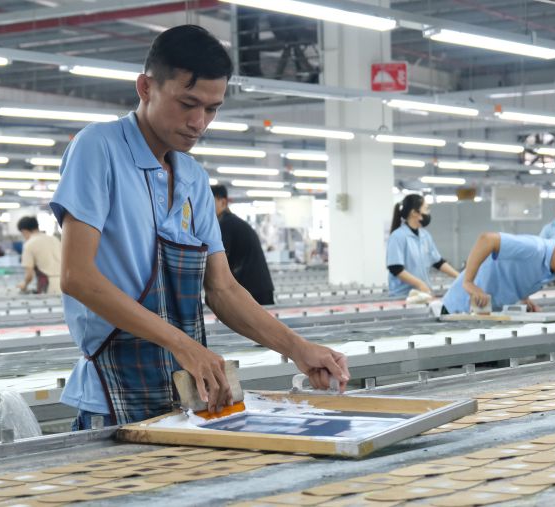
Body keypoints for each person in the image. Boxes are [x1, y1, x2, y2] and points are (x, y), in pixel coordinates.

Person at [50, 25, 349, 429]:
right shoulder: (98, 148)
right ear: (145, 87)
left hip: (185, 394)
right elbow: (77, 277)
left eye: (212, 108)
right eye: (188, 103)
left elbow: (222, 289)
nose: (199, 122)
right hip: (111, 396)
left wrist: (297, 348)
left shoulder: (193, 178)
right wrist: (182, 344)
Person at [441, 234, 555, 315]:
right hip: (458, 310)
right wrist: (469, 282)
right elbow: (487, 239)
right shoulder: (533, 248)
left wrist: (524, 298)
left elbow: (517, 272)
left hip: (486, 314)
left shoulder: (552, 270)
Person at [211, 184, 275, 305]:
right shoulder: (232, 222)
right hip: (257, 287)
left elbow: (220, 261)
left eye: (209, 201)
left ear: (223, 202)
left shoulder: (226, 224)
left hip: (253, 290)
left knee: (256, 324)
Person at [386, 194, 459, 298]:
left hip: (422, 295)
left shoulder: (425, 235)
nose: (428, 212)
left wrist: (460, 277)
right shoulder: (398, 236)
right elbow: (396, 269)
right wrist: (420, 284)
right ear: (415, 213)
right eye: (426, 209)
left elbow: (438, 262)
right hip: (403, 297)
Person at [17, 216, 62, 295]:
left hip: (48, 287)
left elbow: (29, 275)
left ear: (24, 231)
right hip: (65, 284)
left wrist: (24, 285)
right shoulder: (54, 239)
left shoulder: (29, 244)